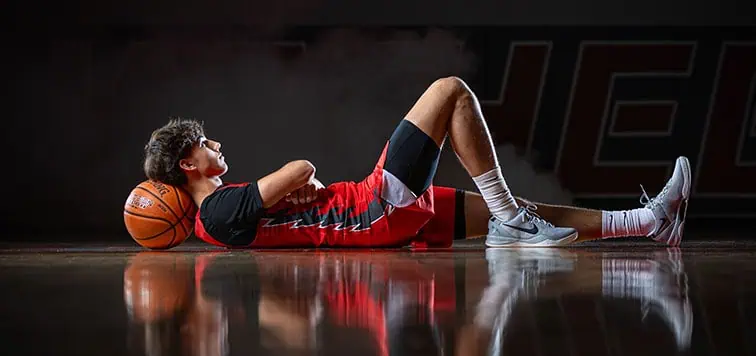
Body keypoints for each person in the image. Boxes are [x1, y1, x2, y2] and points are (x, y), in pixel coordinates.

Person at [142, 76, 690, 249]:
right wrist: (296, 184)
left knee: (517, 209)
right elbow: (301, 168)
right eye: (206, 144)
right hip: (371, 209)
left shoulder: (221, 216)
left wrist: (292, 195)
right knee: (450, 90)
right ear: (188, 165)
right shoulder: (216, 211)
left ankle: (647, 222)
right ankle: (515, 226)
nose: (216, 146)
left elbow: (289, 200)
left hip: (373, 220)